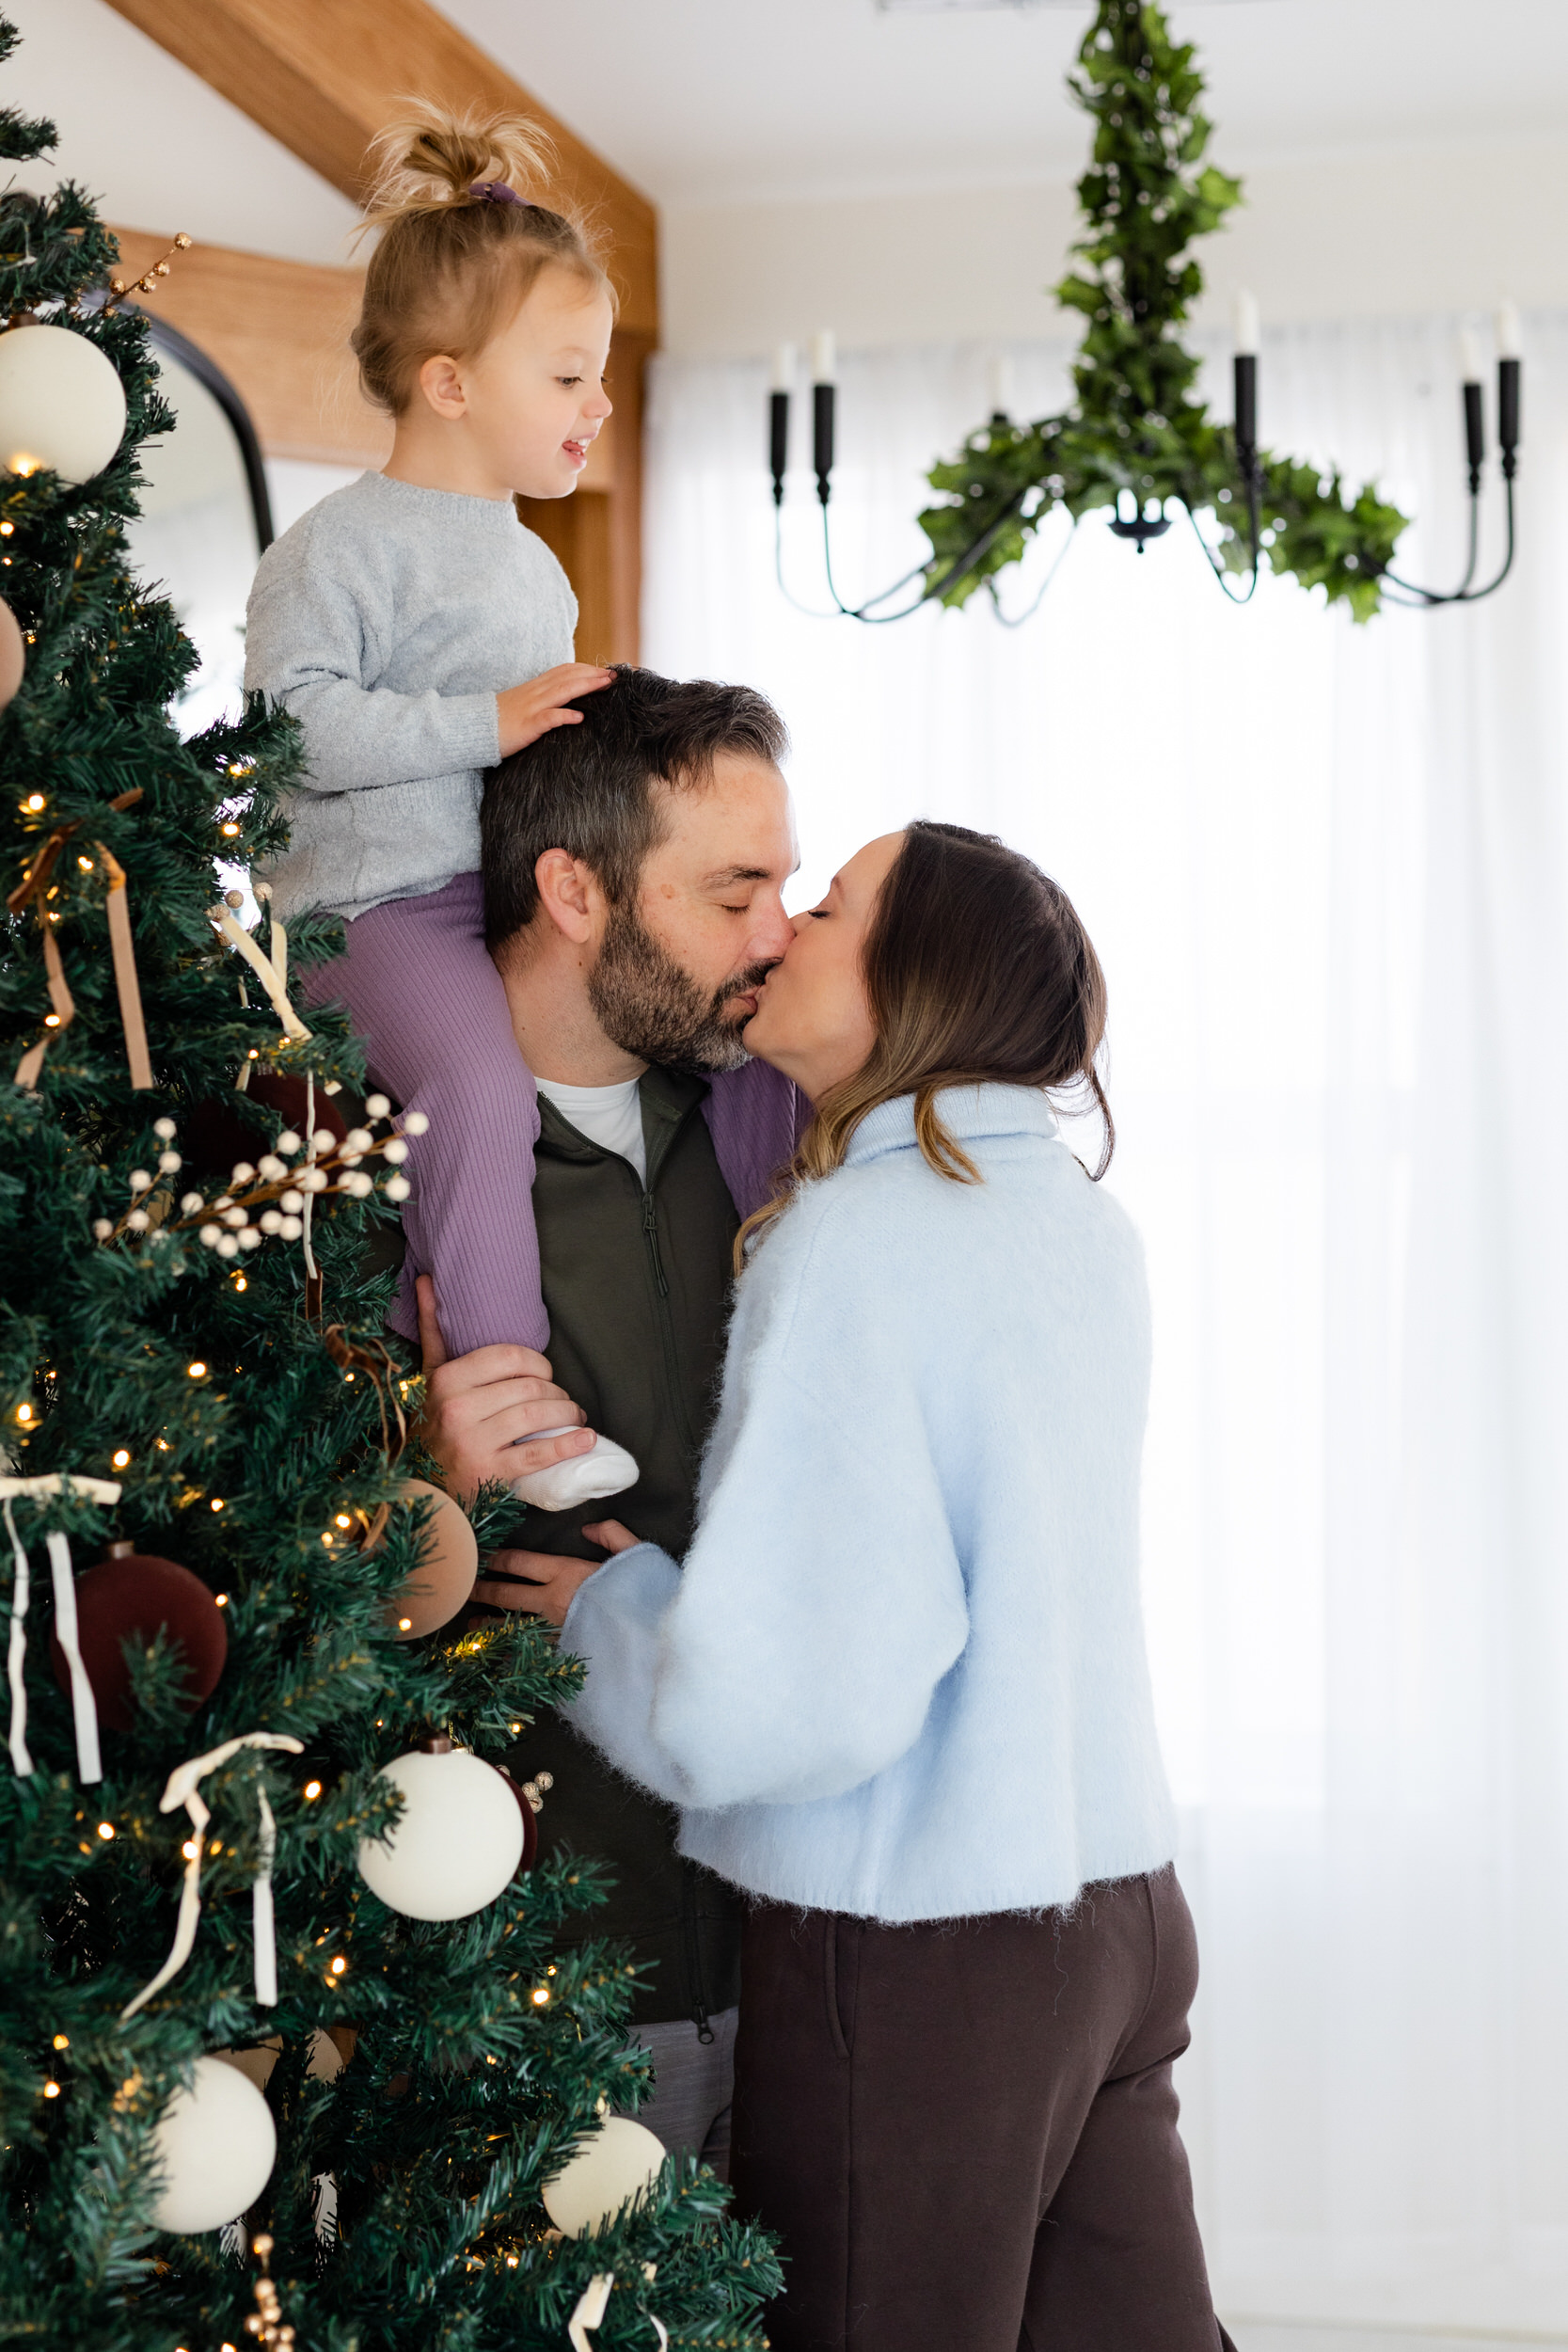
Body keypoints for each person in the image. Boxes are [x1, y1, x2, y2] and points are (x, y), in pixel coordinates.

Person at [534, 822, 1237, 2352]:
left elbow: (787, 1707)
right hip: (1120, 1911)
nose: (778, 933)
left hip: (925, 1957)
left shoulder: (863, 1238)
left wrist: (598, 1615)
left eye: (828, 908)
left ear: (913, 978)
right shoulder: (1077, 1223)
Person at [418, 667, 805, 2169]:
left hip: (792, 1948)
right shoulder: (378, 1162)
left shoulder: (770, 1132)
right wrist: (419, 1491)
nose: (776, 937)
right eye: (733, 893)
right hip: (526, 1971)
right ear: (574, 891)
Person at [244, 104, 632, 1486]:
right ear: (452, 384)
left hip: (494, 901)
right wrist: (493, 716)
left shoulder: (531, 562)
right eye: (570, 375)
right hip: (373, 908)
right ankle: (510, 1418)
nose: (600, 405)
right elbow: (289, 729)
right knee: (475, 1093)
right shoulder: (337, 549)